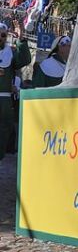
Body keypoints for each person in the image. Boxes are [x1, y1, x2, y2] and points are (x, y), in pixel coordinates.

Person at [0, 21, 30, 161]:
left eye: (3, 35)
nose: (0, 37)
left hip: (5, 100)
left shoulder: (10, 53)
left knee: (4, 131)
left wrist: (21, 39)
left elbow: (24, 59)